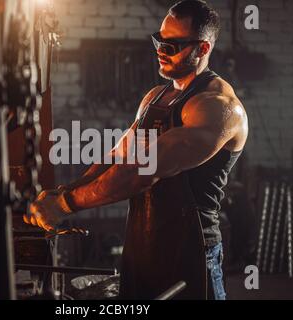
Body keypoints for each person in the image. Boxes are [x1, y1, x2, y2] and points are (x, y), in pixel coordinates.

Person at [26, 0, 248, 300]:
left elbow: (143, 171)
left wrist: (65, 205)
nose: (160, 50)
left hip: (191, 254)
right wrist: (64, 192)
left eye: (172, 45)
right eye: (159, 40)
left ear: (203, 49)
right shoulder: (156, 97)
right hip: (142, 246)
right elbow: (119, 156)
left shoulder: (218, 108)